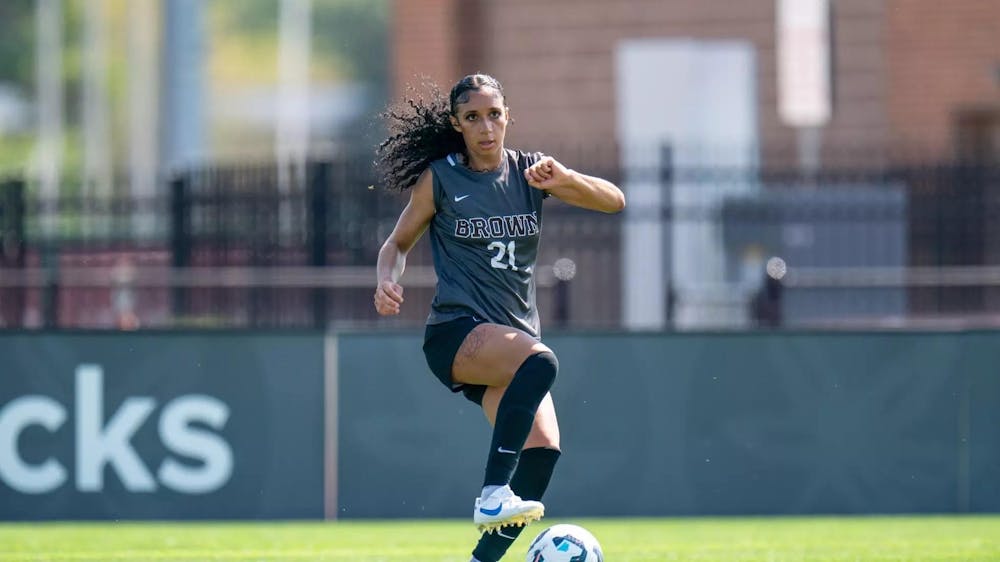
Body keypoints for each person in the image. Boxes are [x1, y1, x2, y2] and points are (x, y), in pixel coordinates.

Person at [372, 73, 625, 562]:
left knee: (543, 450)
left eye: (494, 114)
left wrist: (566, 179)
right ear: (457, 124)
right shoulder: (442, 178)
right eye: (472, 118)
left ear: (509, 116)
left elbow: (614, 201)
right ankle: (492, 494)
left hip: (508, 342)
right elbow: (396, 244)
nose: (486, 127)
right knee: (542, 362)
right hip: (457, 333)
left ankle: (480, 560)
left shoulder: (531, 173)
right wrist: (387, 279)